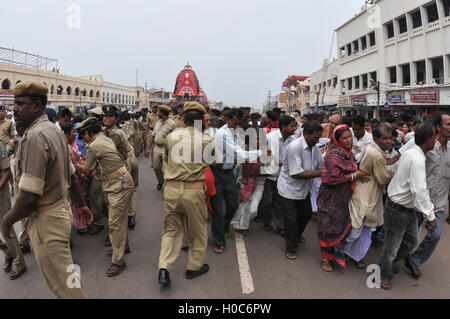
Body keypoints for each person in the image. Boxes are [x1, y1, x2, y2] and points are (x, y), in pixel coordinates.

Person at [2, 81, 92, 298]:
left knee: (66, 288)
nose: (14, 109)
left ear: (36, 106)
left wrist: (6, 222)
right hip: (58, 212)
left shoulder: (35, 136)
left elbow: (30, 197)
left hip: (47, 221)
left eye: (20, 104)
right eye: (14, 104)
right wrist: (80, 204)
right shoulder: (52, 130)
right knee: (67, 279)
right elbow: (70, 174)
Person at [158, 102, 217, 287]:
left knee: (171, 230)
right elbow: (212, 162)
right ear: (202, 121)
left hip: (172, 189)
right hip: (194, 190)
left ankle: (164, 268)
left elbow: (167, 160)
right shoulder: (206, 140)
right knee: (198, 231)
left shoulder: (171, 137)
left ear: (183, 119)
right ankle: (194, 267)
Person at [378, 122, 438, 290]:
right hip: (397, 210)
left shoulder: (412, 153)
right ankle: (381, 275)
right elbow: (420, 191)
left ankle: (392, 263)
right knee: (391, 246)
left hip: (408, 209)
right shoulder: (416, 158)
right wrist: (431, 217)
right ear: (427, 139)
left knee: (411, 242)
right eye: (434, 138)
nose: (436, 141)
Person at [77, 117, 134, 277]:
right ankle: (124, 248)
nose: (83, 139)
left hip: (118, 184)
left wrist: (75, 166)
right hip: (118, 181)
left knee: (115, 223)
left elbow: (87, 173)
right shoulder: (105, 138)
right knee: (119, 218)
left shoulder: (94, 146)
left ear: (88, 133)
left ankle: (118, 261)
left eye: (83, 136)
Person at [210, 108, 269, 254]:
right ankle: (219, 240)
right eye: (235, 123)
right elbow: (239, 154)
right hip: (216, 173)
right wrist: (260, 152)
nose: (237, 127)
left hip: (229, 173)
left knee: (233, 205)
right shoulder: (222, 133)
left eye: (239, 123)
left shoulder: (235, 132)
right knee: (217, 209)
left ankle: (224, 226)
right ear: (227, 120)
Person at [317, 124, 370, 272]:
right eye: (344, 138)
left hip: (343, 198)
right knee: (327, 227)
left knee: (341, 226)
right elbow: (332, 179)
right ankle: (325, 258)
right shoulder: (333, 155)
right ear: (336, 139)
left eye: (349, 137)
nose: (347, 140)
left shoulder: (348, 153)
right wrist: (355, 175)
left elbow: (354, 167)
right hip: (329, 198)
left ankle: (336, 255)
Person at [405, 114, 450, 279]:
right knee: (411, 236)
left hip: (438, 202)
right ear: (439, 127)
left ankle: (414, 261)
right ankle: (394, 260)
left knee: (436, 235)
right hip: (419, 200)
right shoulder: (427, 145)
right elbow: (406, 159)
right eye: (448, 124)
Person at [346, 123, 393, 267]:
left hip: (363, 189)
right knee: (357, 229)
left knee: (361, 228)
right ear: (376, 138)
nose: (389, 141)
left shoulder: (370, 147)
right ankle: (341, 251)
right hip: (367, 193)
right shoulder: (377, 154)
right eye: (385, 139)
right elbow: (383, 178)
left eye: (390, 138)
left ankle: (351, 254)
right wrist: (393, 170)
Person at [277, 121, 324, 260]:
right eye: (315, 137)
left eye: (319, 138)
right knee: (291, 219)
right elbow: (296, 174)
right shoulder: (294, 147)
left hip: (303, 190)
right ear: (306, 134)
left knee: (306, 215)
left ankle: (294, 235)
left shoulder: (314, 148)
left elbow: (321, 164)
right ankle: (291, 247)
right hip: (289, 190)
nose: (318, 141)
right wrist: (322, 173)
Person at [258, 116, 297, 235]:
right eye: (292, 126)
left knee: (279, 201)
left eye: (295, 126)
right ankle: (265, 220)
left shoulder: (293, 139)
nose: (294, 128)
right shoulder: (270, 137)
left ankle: (280, 225)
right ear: (283, 126)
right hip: (269, 174)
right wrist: (279, 162)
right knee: (267, 200)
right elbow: (263, 153)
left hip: (283, 176)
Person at [102, 105, 139, 229]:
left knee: (124, 191)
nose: (106, 118)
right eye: (105, 116)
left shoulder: (115, 133)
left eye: (110, 116)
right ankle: (129, 216)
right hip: (126, 157)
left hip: (125, 161)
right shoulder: (106, 132)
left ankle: (127, 218)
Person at [0, 137, 27, 279]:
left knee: (6, 227)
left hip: (0, 193)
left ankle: (19, 262)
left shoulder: (0, 145)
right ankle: (8, 252)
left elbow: (6, 172)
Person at [61, 123, 89, 234]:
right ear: (66, 134)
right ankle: (79, 224)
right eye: (73, 132)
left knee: (81, 197)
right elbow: (72, 166)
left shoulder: (73, 143)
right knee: (76, 200)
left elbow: (79, 155)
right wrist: (82, 173)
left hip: (79, 173)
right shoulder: (65, 147)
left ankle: (82, 220)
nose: (75, 134)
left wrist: (85, 160)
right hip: (73, 176)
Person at [145, 105, 176, 191]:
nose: (157, 113)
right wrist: (148, 148)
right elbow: (153, 135)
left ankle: (167, 186)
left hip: (166, 149)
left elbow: (174, 138)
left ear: (162, 113)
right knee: (156, 167)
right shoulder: (158, 122)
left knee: (166, 168)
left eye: (158, 112)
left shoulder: (172, 124)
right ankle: (160, 181)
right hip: (156, 148)